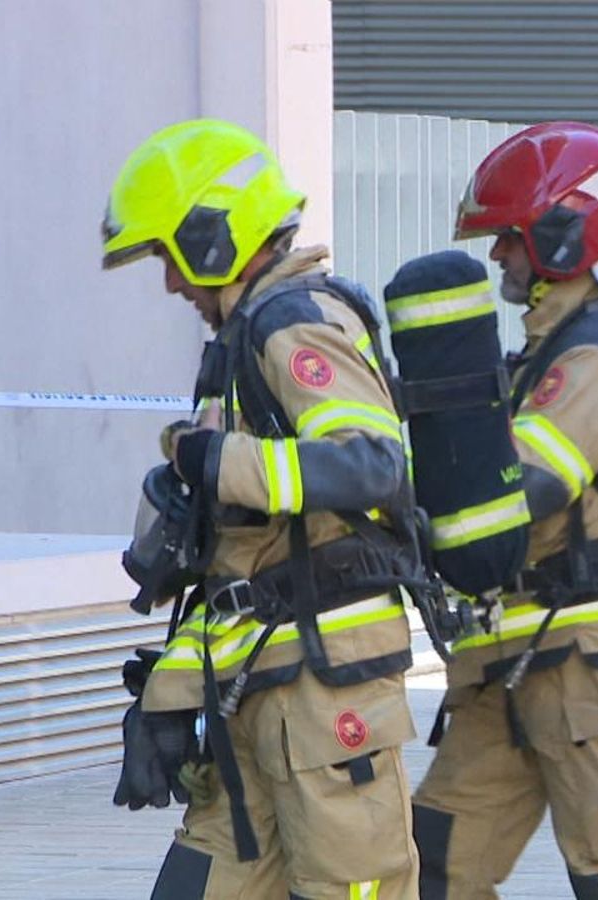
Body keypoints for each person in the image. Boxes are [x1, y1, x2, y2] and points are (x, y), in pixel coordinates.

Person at [102, 118, 422, 898]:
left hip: (325, 700)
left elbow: (371, 461)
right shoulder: (241, 342)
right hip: (256, 703)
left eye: (169, 256)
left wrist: (220, 460)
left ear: (214, 237)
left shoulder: (295, 323)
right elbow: (240, 568)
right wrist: (168, 698)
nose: (172, 283)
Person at [409, 121, 598, 900]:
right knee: (435, 866)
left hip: (588, 666)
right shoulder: (553, 350)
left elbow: (525, 489)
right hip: (507, 665)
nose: (496, 257)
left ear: (562, 234)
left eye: (508, 239)